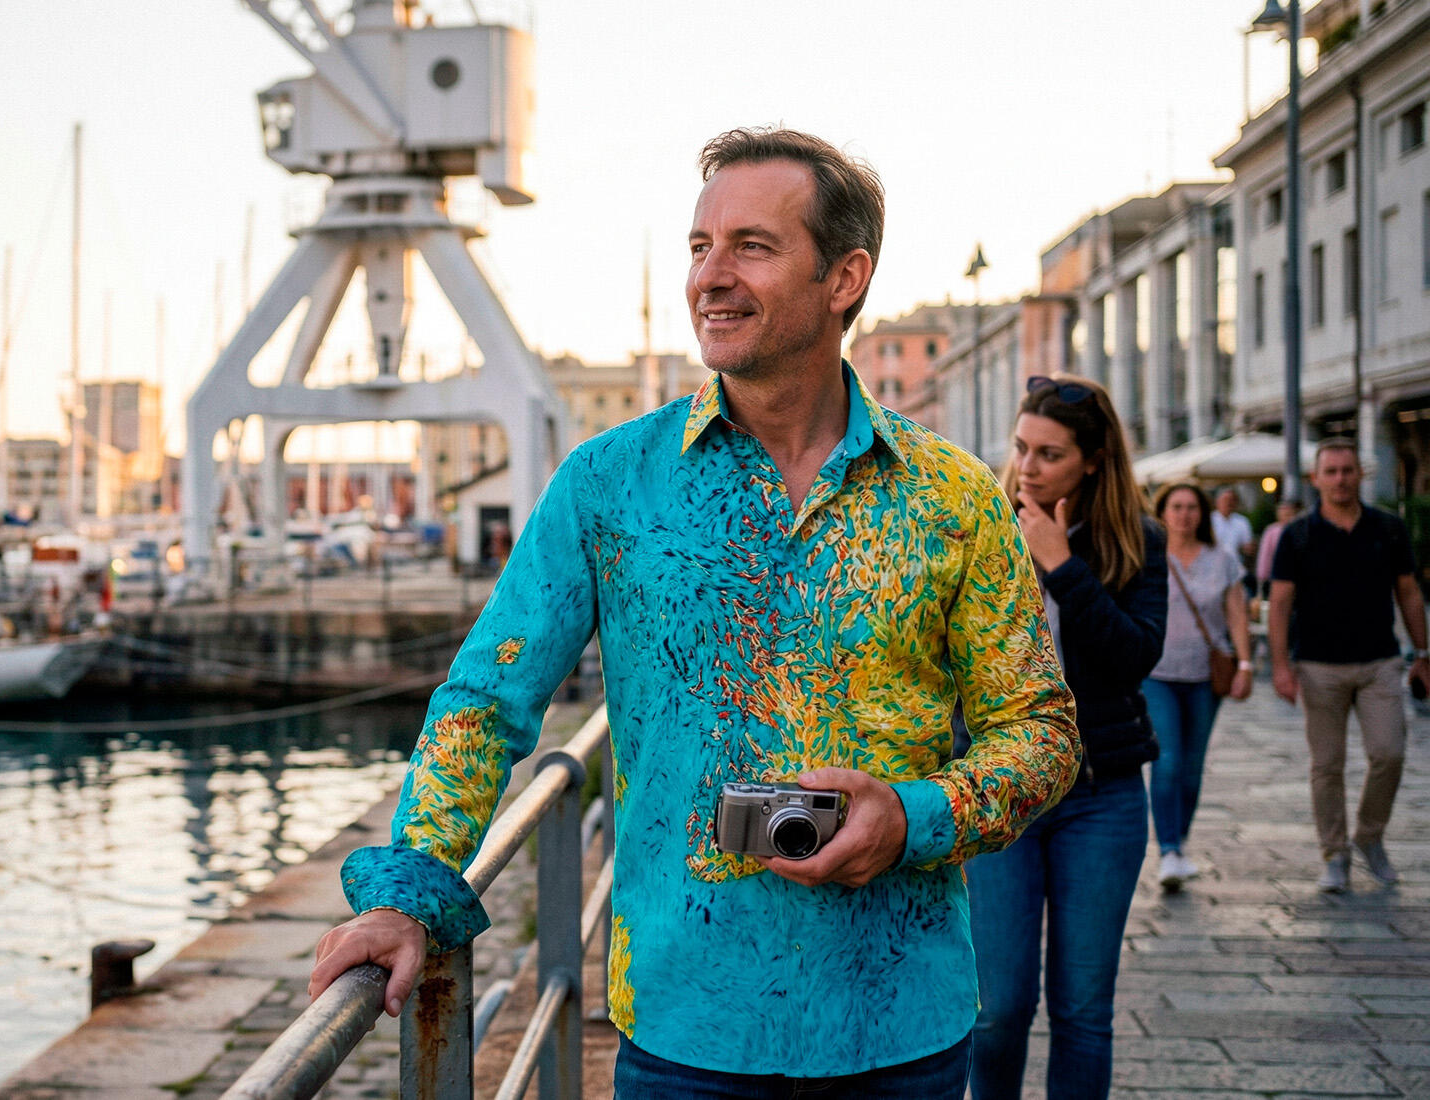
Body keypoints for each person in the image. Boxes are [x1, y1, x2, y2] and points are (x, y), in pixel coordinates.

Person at [306, 127, 1081, 1097]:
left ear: (844, 278)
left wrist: (910, 816)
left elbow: (1040, 732)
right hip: (685, 1032)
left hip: (897, 1024)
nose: (710, 276)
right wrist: (406, 892)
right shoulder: (607, 483)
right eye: (699, 247)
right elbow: (484, 700)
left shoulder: (952, 497)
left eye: (751, 246)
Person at [967, 374, 1167, 1100]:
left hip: (1099, 796)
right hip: (1000, 793)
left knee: (1083, 1011)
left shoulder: (1137, 539)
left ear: (1093, 460)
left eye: (1049, 454)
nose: (1027, 467)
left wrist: (1062, 565)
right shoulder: (984, 527)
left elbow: (1134, 655)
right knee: (997, 1010)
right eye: (1021, 447)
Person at [1268, 439, 1429, 891]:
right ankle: (1334, 853)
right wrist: (1280, 665)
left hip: (1380, 661)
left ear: (1361, 474)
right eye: (1331, 471)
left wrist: (1423, 654)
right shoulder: (1297, 535)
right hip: (1319, 666)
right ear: (1316, 479)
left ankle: (1369, 836)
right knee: (1327, 764)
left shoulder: (1388, 528)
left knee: (1389, 753)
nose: (1340, 479)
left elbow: (1409, 591)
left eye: (1347, 470)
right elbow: (1279, 602)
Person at [1144, 481, 1253, 893]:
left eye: (1191, 507)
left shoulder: (1222, 559)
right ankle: (1169, 849)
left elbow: (1237, 613)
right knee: (1167, 759)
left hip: (1206, 677)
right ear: (1162, 512)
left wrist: (1245, 664)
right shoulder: (1148, 557)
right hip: (1157, 674)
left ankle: (1180, 839)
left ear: (1202, 514)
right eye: (1176, 506)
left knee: (1192, 767)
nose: (1184, 514)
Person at [1255, 498, 1302, 595]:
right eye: (1284, 512)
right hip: (1275, 577)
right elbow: (1265, 555)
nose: (1287, 516)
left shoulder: (1300, 530)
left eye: (1289, 513)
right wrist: (1263, 576)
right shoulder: (1271, 531)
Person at [1213, 487, 1258, 589]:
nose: (1229, 503)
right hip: (1213, 571)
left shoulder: (1242, 522)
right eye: (1225, 500)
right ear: (1217, 501)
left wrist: (1249, 548)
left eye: (1232, 500)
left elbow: (1247, 548)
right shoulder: (1209, 520)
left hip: (1236, 570)